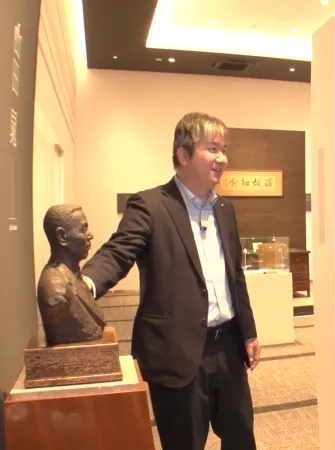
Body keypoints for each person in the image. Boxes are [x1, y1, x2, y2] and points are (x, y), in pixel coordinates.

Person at [81, 112, 259, 450]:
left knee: (241, 439)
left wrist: (248, 331)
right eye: (212, 148)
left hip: (227, 346)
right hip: (176, 351)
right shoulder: (150, 205)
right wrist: (85, 284)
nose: (222, 159)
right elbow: (118, 252)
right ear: (183, 154)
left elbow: (235, 276)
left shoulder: (225, 209)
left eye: (224, 150)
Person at [38, 204, 105, 346]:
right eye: (83, 229)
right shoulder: (55, 290)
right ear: (62, 236)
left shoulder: (74, 275)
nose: (90, 235)